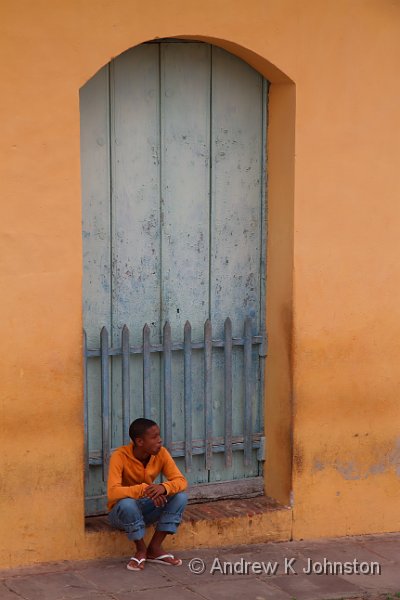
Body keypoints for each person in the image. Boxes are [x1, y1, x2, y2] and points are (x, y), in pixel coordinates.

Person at [107, 417, 188, 571]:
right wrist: (145, 490)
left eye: (159, 435)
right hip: (121, 514)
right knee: (127, 503)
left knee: (180, 497)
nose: (160, 440)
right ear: (139, 442)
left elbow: (181, 481)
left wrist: (163, 488)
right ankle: (141, 550)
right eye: (154, 437)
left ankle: (154, 549)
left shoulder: (161, 453)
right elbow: (113, 492)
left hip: (146, 508)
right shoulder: (119, 456)